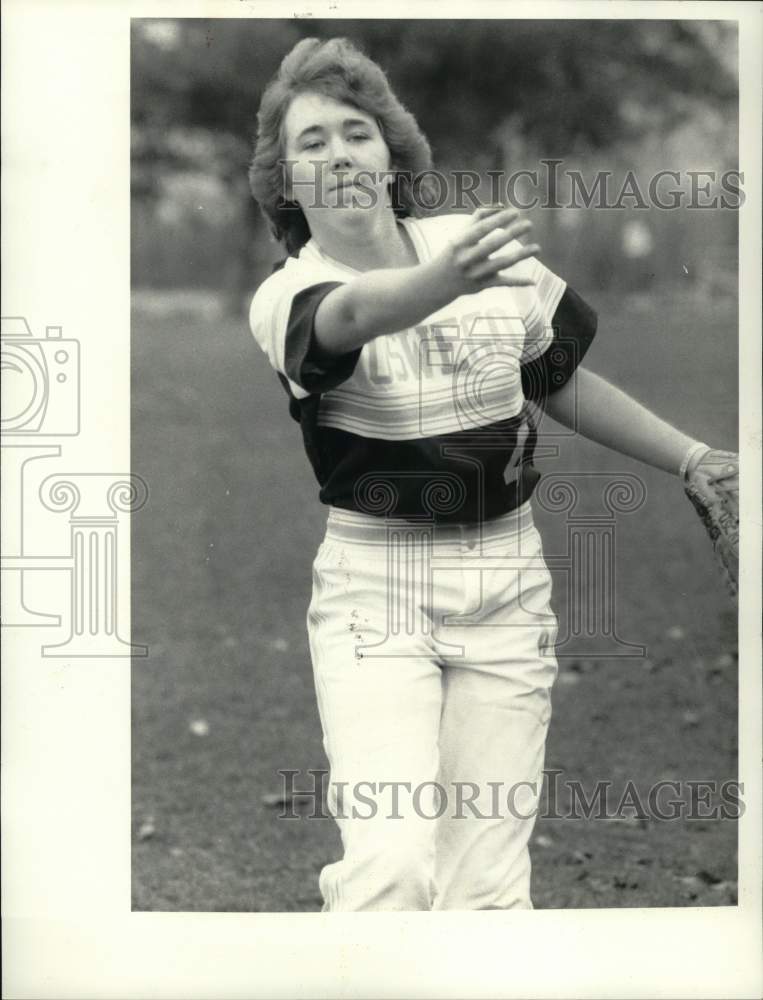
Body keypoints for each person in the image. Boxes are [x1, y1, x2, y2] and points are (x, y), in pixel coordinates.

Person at [247, 36, 738, 911]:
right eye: (309, 142)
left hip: (507, 581)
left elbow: (553, 381)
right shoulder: (290, 293)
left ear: (392, 152)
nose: (337, 154)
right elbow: (355, 315)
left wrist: (693, 459)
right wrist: (444, 280)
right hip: (375, 590)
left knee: (486, 892)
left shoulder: (472, 251)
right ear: (284, 182)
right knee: (390, 870)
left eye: (354, 132)